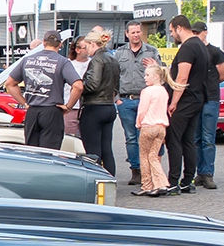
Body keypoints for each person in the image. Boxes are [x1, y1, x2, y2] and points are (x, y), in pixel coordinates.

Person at [4, 30, 83, 149]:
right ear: (60, 44)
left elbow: (9, 84)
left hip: (32, 111)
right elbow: (78, 86)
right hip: (52, 111)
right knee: (50, 153)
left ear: (44, 43)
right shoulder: (62, 62)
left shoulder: (27, 60)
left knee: (32, 152)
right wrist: (68, 106)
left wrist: (24, 103)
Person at [113, 21, 162, 186]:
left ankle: (150, 168)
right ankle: (136, 170)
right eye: (132, 32)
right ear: (126, 34)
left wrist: (156, 67)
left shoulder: (152, 52)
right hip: (126, 101)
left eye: (138, 32)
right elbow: (113, 77)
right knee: (131, 138)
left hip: (146, 101)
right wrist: (117, 99)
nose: (136, 35)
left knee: (148, 136)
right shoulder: (119, 53)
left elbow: (161, 77)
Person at [164, 15, 208, 193]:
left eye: (172, 31)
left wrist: (173, 102)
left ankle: (173, 182)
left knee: (173, 139)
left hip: (185, 100)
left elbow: (182, 77)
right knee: (188, 140)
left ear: (179, 28)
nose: (172, 35)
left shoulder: (188, 47)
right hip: (197, 98)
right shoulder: (201, 46)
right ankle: (188, 180)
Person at [191, 20, 224, 190]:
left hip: (210, 98)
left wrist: (210, 84)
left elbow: (223, 75)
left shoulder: (215, 52)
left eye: (198, 33)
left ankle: (207, 173)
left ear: (205, 33)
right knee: (196, 138)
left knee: (208, 138)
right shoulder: (192, 50)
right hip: (196, 99)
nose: (196, 36)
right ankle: (199, 172)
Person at [79, 30, 119, 175]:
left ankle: (96, 180)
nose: (86, 50)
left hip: (94, 107)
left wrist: (79, 86)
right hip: (109, 105)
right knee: (107, 149)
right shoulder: (112, 58)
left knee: (93, 150)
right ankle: (110, 179)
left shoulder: (97, 59)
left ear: (92, 44)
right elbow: (116, 86)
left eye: (86, 46)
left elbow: (93, 84)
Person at [133, 63, 173, 196]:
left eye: (147, 75)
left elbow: (142, 110)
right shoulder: (163, 91)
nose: (145, 78)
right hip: (161, 128)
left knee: (144, 156)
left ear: (156, 76)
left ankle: (147, 185)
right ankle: (161, 183)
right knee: (153, 156)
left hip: (148, 126)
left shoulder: (147, 91)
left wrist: (138, 123)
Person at [64, 37, 89, 137]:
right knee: (70, 138)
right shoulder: (67, 64)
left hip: (87, 107)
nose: (89, 49)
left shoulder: (93, 63)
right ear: (77, 50)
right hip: (71, 107)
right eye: (86, 47)